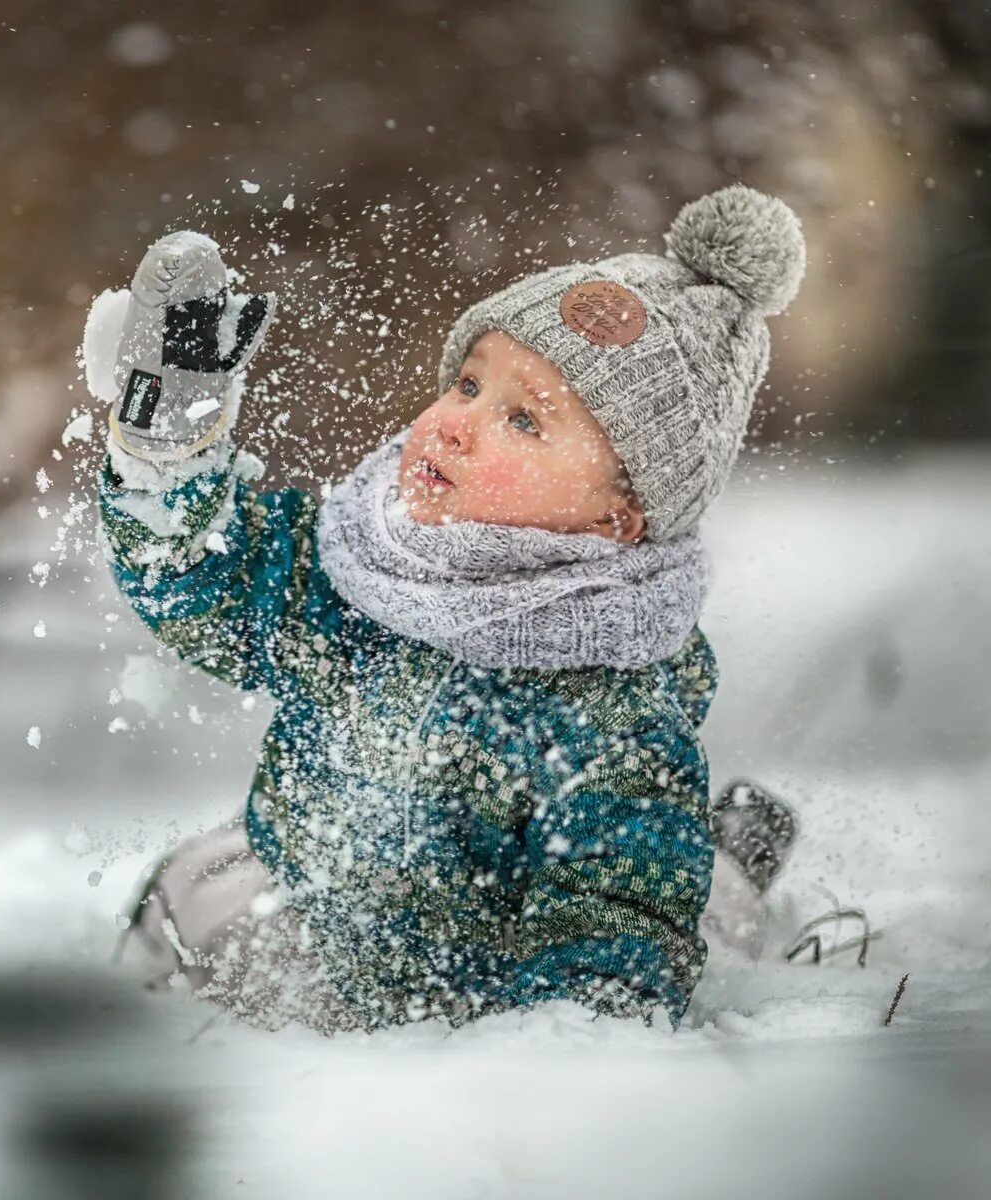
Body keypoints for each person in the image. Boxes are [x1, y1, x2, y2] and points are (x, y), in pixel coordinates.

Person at [86, 185, 806, 1030]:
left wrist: (550, 1040)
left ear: (619, 516)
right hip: (319, 897)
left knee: (694, 908)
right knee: (199, 892)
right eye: (467, 383)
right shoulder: (357, 568)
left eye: (524, 421)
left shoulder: (616, 705)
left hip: (509, 957)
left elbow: (614, 926)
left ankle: (732, 852)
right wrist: (166, 453)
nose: (456, 424)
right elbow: (205, 579)